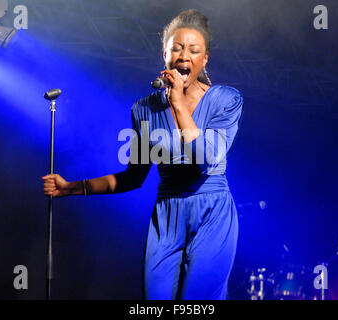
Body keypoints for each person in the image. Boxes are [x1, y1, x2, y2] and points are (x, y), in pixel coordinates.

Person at [42, 9, 244, 300]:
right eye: (176, 48)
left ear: (204, 59)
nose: (184, 55)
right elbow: (133, 178)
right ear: (165, 55)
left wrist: (177, 105)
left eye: (193, 50)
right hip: (166, 215)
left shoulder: (226, 100)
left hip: (211, 212)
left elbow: (205, 158)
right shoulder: (144, 109)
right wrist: (70, 188)